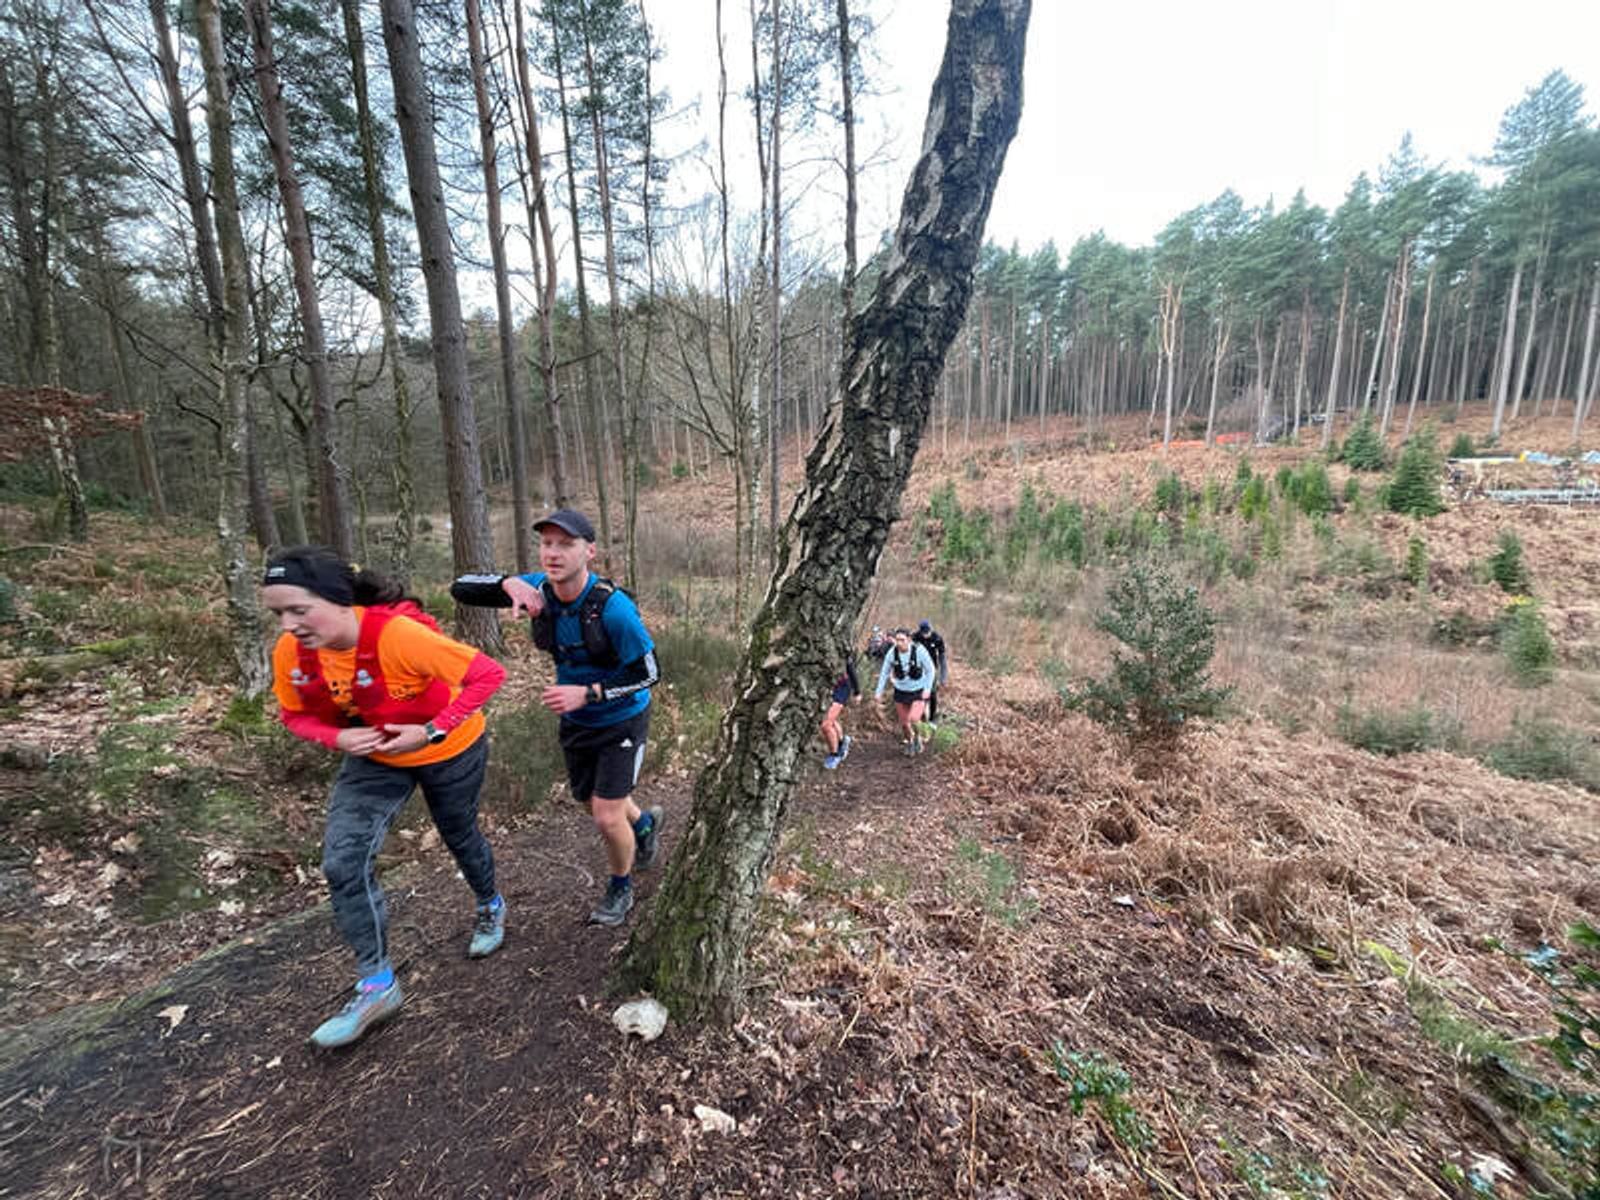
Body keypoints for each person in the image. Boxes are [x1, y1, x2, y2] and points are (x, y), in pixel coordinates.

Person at [262, 546, 508, 1050]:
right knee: (342, 862)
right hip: (373, 754)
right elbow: (293, 715)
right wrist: (338, 739)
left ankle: (490, 904)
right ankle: (377, 986)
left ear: (337, 599)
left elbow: (488, 675)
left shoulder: (398, 636)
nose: (289, 625)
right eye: (278, 613)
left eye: (299, 609)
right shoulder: (292, 653)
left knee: (459, 835)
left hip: (450, 748)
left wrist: (432, 731)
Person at [451, 509, 661, 927]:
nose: (554, 552)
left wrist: (589, 693)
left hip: (622, 716)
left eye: (566, 544)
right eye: (547, 543)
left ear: (590, 552)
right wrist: (508, 583)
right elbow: (460, 588)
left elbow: (649, 672)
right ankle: (645, 825)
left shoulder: (613, 610)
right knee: (590, 800)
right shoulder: (538, 588)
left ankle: (620, 887)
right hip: (578, 721)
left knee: (605, 815)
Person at [874, 627, 936, 755]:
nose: (899, 643)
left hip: (918, 690)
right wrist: (878, 692)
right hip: (901, 690)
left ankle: (918, 737)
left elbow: (931, 670)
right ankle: (910, 741)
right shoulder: (892, 653)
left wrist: (928, 689)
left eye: (902, 640)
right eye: (897, 640)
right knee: (904, 724)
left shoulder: (919, 651)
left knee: (914, 718)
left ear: (909, 640)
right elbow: (884, 673)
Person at [820, 655, 861, 770]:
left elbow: (851, 669)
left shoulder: (839, 646)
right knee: (831, 719)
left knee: (825, 725)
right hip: (827, 687)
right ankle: (843, 741)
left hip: (841, 688)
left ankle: (835, 754)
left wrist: (857, 692)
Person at [911, 618, 949, 723]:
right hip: (918, 668)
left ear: (930, 629)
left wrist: (943, 678)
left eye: (927, 632)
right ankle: (918, 715)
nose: (925, 635)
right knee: (917, 692)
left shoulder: (937, 639)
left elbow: (942, 659)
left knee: (932, 693)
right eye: (923, 633)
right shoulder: (915, 637)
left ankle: (932, 718)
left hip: (932, 669)